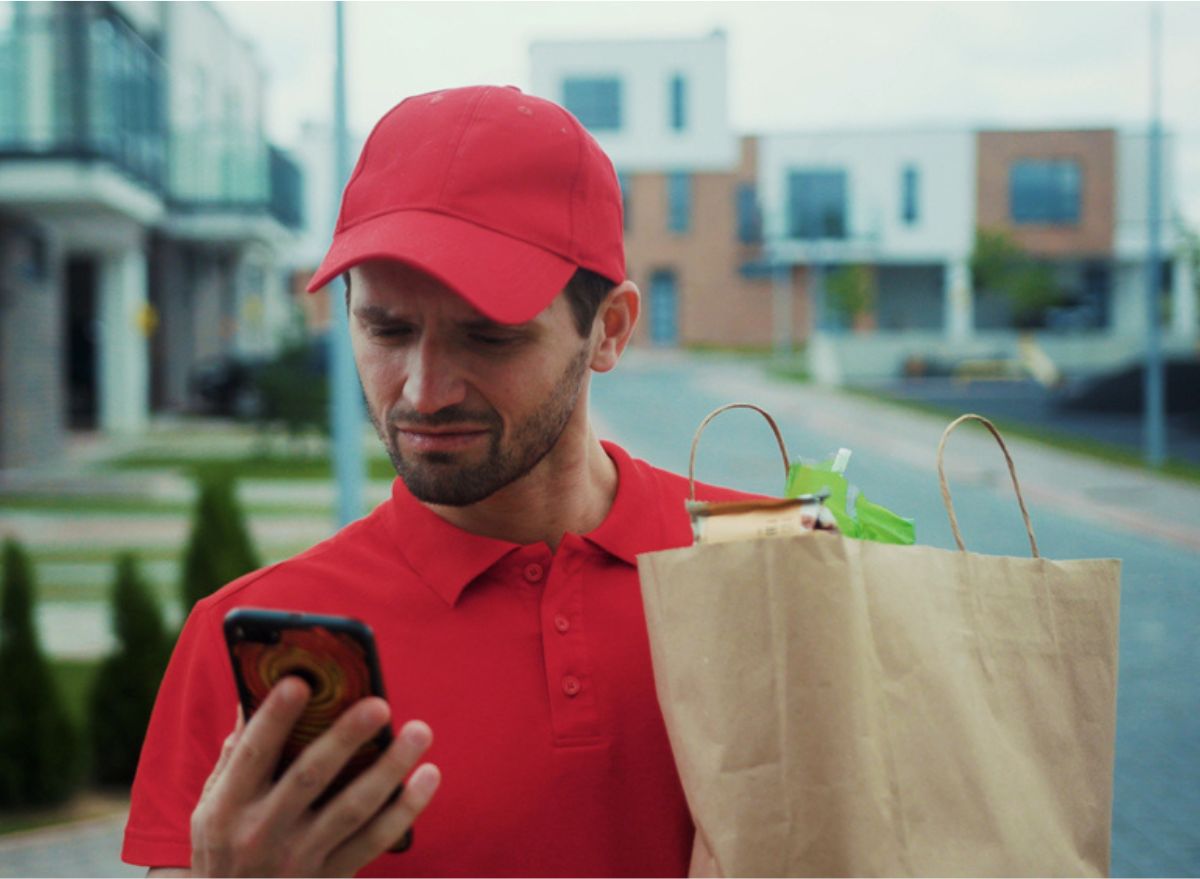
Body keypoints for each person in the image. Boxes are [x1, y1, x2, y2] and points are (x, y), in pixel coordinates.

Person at [123, 85, 745, 877]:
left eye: (487, 337)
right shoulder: (252, 649)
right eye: (387, 329)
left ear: (609, 330)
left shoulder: (766, 560)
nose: (422, 390)